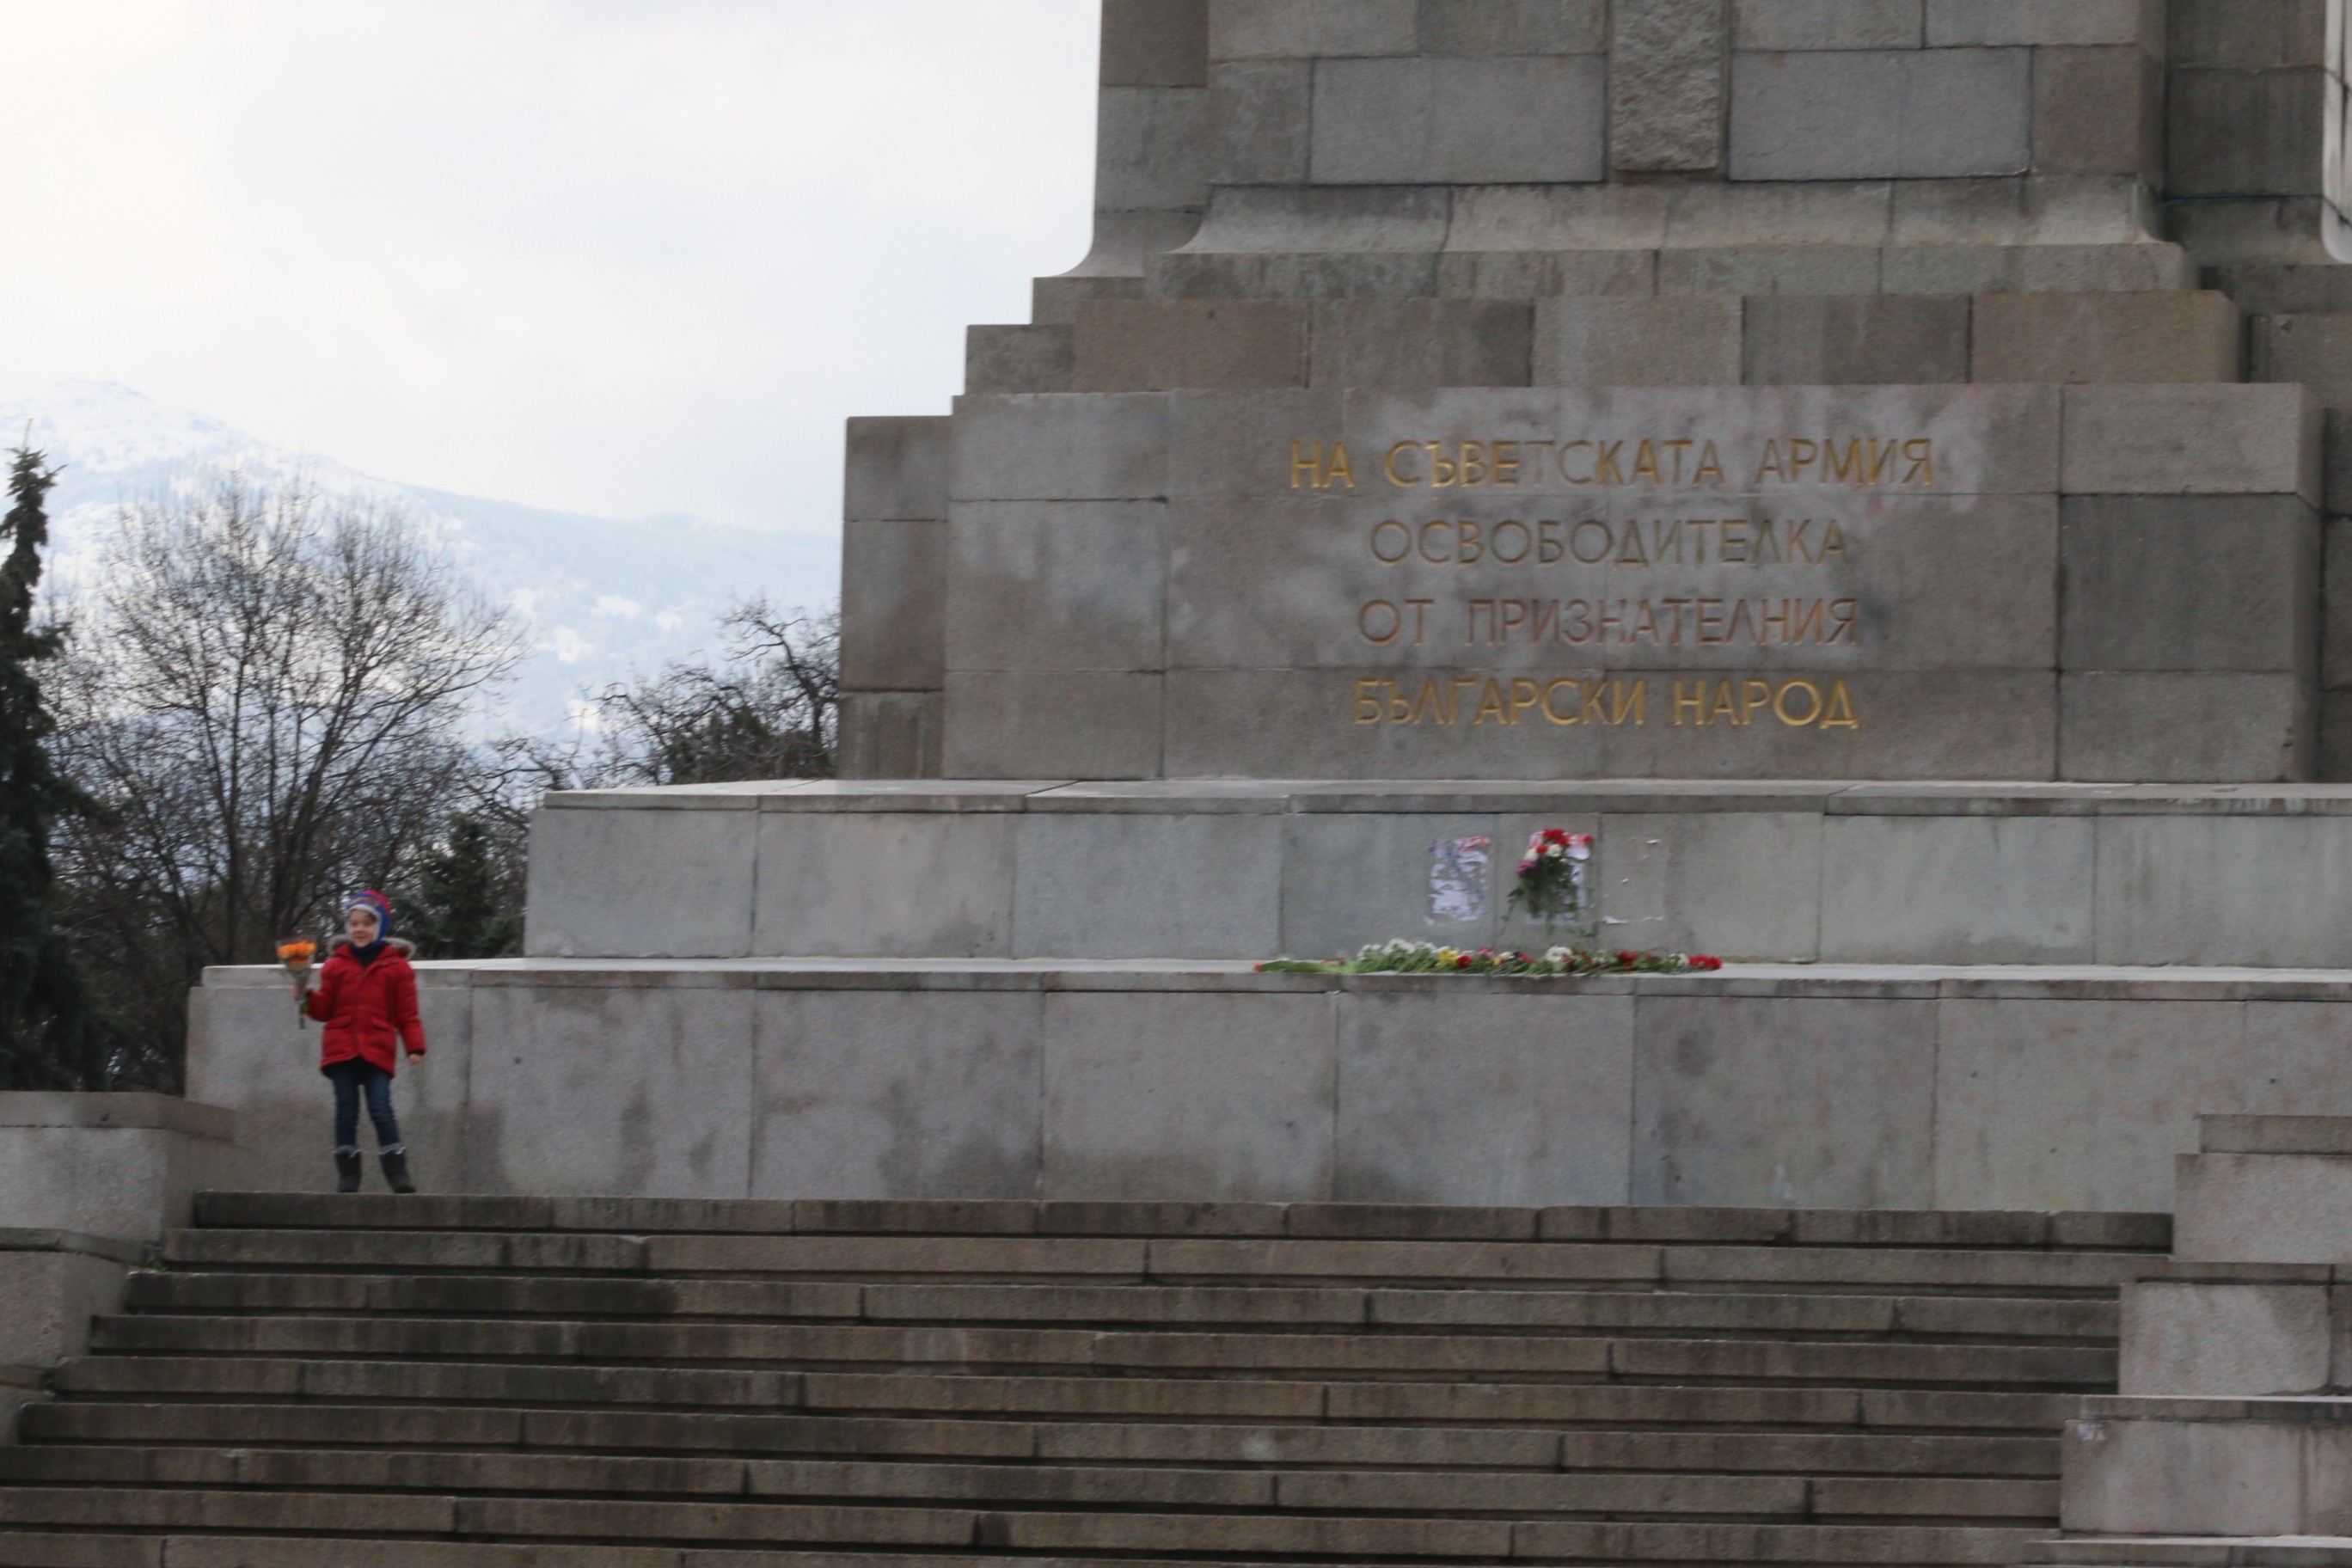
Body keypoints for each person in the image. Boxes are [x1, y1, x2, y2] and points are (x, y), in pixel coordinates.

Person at [300, 890, 426, 1193]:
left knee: (380, 1108)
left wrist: (414, 1046)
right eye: (354, 923)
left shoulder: (397, 968)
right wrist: (305, 997)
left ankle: (397, 1172)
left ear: (380, 927)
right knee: (346, 1109)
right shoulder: (335, 965)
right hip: (341, 1048)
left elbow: (407, 1013)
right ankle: (348, 1173)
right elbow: (323, 1010)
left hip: (377, 1048)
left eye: (367, 924)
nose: (359, 929)